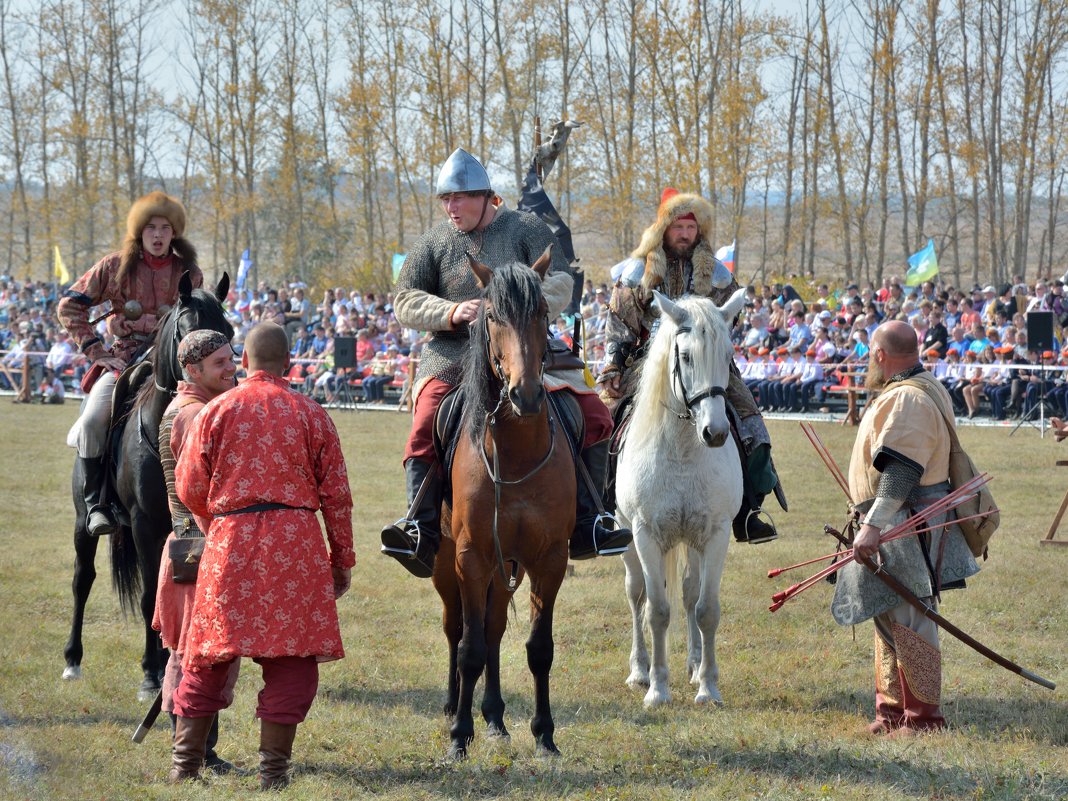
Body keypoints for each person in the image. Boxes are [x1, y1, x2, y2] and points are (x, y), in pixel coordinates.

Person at [379, 148, 630, 577]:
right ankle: (419, 527)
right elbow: (404, 301)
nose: (451, 208)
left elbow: (562, 282)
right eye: (446, 200)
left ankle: (592, 521)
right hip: (453, 356)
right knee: (424, 423)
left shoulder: (526, 228)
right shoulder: (435, 243)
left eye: (459, 198)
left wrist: (524, 304)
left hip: (527, 350)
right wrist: (451, 313)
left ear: (485, 196)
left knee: (594, 415)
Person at [169, 322, 354, 789]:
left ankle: (184, 766)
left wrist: (218, 526)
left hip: (230, 540)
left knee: (208, 653)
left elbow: (189, 484)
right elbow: (337, 496)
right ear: (289, 363)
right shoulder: (312, 413)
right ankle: (273, 772)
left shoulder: (218, 410)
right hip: (298, 544)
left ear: (245, 362)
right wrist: (341, 560)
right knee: (291, 658)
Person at [599, 188, 784, 543]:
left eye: (691, 226)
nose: (685, 234)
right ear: (663, 228)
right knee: (600, 423)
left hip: (708, 363)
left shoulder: (716, 274)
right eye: (678, 226)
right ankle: (602, 512)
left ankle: (748, 511)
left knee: (753, 426)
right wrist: (612, 366)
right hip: (645, 364)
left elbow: (732, 316)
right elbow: (620, 324)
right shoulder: (638, 271)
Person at [832, 320, 979, 736]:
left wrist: (873, 525)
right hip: (895, 518)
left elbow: (903, 469)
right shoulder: (915, 389)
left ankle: (923, 719)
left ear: (880, 355)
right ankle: (892, 713)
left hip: (905, 520)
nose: (867, 360)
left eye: (869, 353)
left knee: (912, 618)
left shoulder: (909, 400)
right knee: (889, 612)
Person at [57, 191, 203, 537]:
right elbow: (69, 306)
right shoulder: (113, 265)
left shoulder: (190, 273)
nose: (157, 235)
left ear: (174, 233)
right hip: (123, 361)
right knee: (93, 421)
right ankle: (96, 503)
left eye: (164, 228)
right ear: (139, 230)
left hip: (173, 366)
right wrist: (96, 351)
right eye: (150, 227)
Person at [151, 330, 239, 777]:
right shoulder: (192, 414)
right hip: (196, 548)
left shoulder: (202, 407)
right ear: (192, 370)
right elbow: (203, 490)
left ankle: (203, 748)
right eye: (220, 363)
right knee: (195, 656)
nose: (232, 367)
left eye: (231, 358)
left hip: (199, 546)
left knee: (202, 653)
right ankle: (194, 752)